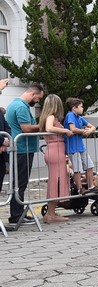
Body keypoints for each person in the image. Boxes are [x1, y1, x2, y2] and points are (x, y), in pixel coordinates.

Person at [6, 84, 45, 226]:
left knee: (18, 182)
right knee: (20, 182)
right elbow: (26, 128)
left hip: (22, 148)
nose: (38, 101)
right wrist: (44, 125)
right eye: (38, 98)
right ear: (33, 94)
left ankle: (18, 213)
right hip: (22, 149)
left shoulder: (16, 104)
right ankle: (16, 215)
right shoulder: (21, 107)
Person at [39, 94, 74, 223]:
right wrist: (65, 131)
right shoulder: (51, 117)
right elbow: (49, 128)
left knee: (55, 181)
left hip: (54, 150)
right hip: (55, 150)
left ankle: (51, 213)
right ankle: (51, 214)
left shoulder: (48, 117)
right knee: (56, 182)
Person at [64, 97, 98, 194]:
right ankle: (80, 188)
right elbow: (72, 128)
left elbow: (92, 126)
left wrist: (90, 131)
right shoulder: (70, 115)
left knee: (89, 165)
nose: (82, 108)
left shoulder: (79, 117)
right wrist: (83, 131)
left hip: (80, 146)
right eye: (81, 107)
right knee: (76, 168)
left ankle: (91, 186)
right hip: (72, 146)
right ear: (74, 108)